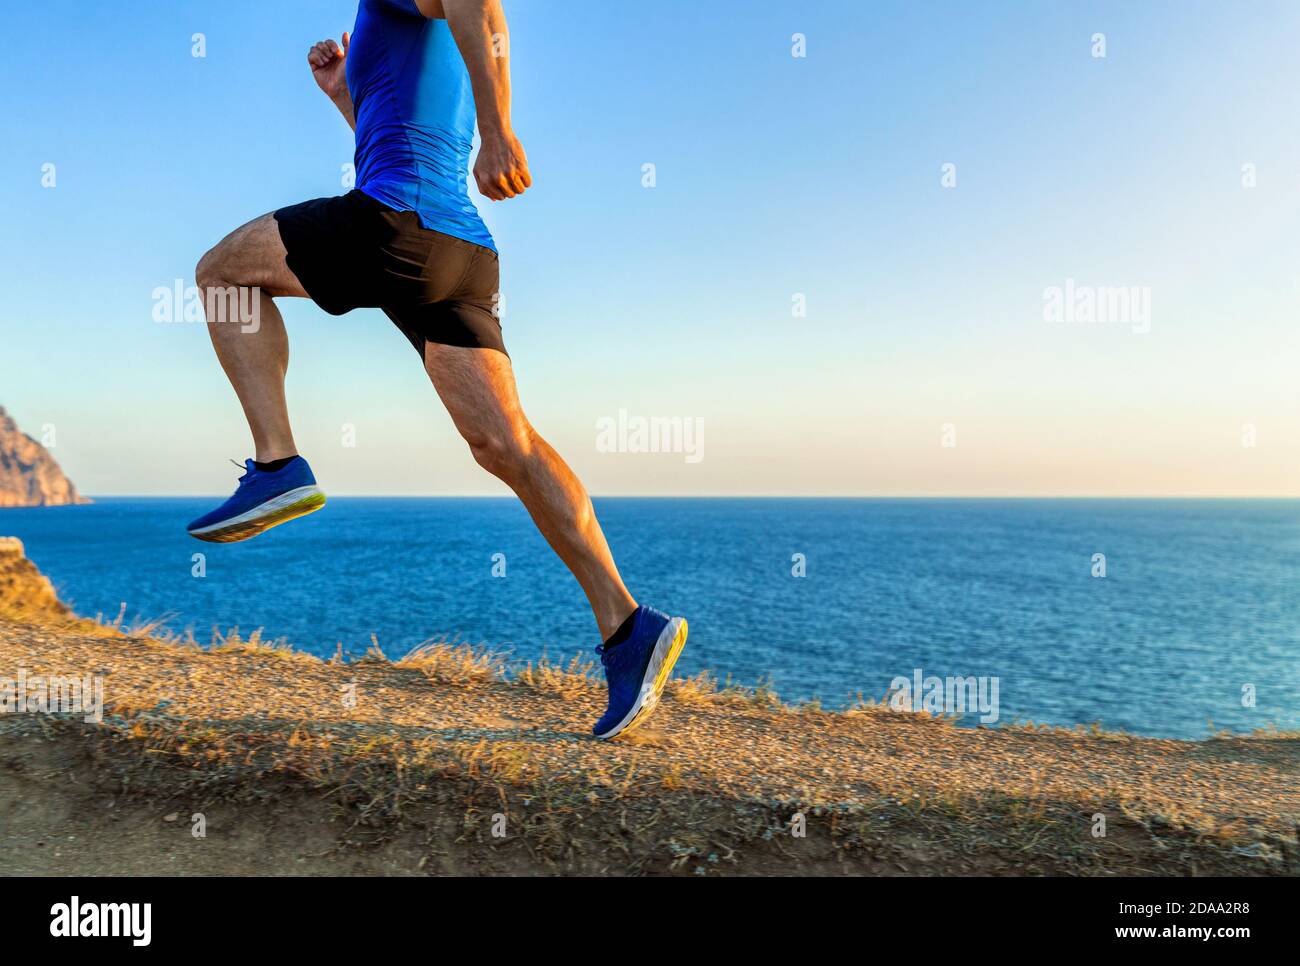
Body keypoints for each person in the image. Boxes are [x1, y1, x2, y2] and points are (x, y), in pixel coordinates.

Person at [187, 0, 686, 739]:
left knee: (221, 272)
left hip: (396, 224)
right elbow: (400, 133)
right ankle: (627, 626)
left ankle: (278, 463)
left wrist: (498, 131)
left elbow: (476, 2)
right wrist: (343, 97)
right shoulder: (388, 25)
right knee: (504, 444)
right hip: (458, 253)